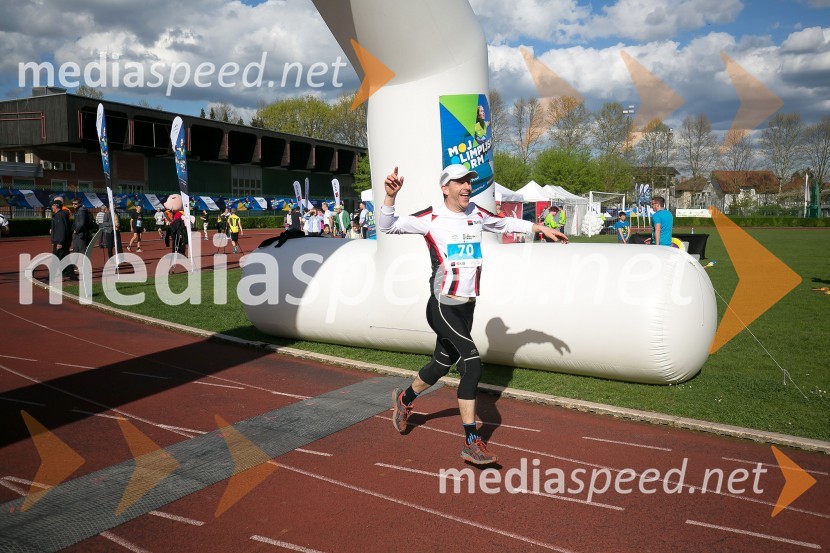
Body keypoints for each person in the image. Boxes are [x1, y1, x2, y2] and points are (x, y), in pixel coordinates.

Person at [381, 164, 568, 465]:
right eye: (460, 182)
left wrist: (538, 227)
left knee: (441, 364)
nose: (467, 186)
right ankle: (471, 441)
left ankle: (405, 399)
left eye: (469, 181)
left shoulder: (477, 214)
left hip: (467, 306)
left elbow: (505, 224)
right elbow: (387, 226)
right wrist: (390, 197)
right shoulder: (431, 218)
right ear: (445, 188)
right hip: (442, 305)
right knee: (472, 363)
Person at [50, 199, 74, 279]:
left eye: (52, 206)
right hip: (64, 241)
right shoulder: (63, 215)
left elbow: (61, 230)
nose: (51, 208)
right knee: (66, 259)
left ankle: (51, 277)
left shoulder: (59, 216)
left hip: (60, 242)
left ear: (56, 206)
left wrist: (59, 242)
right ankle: (72, 276)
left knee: (55, 259)